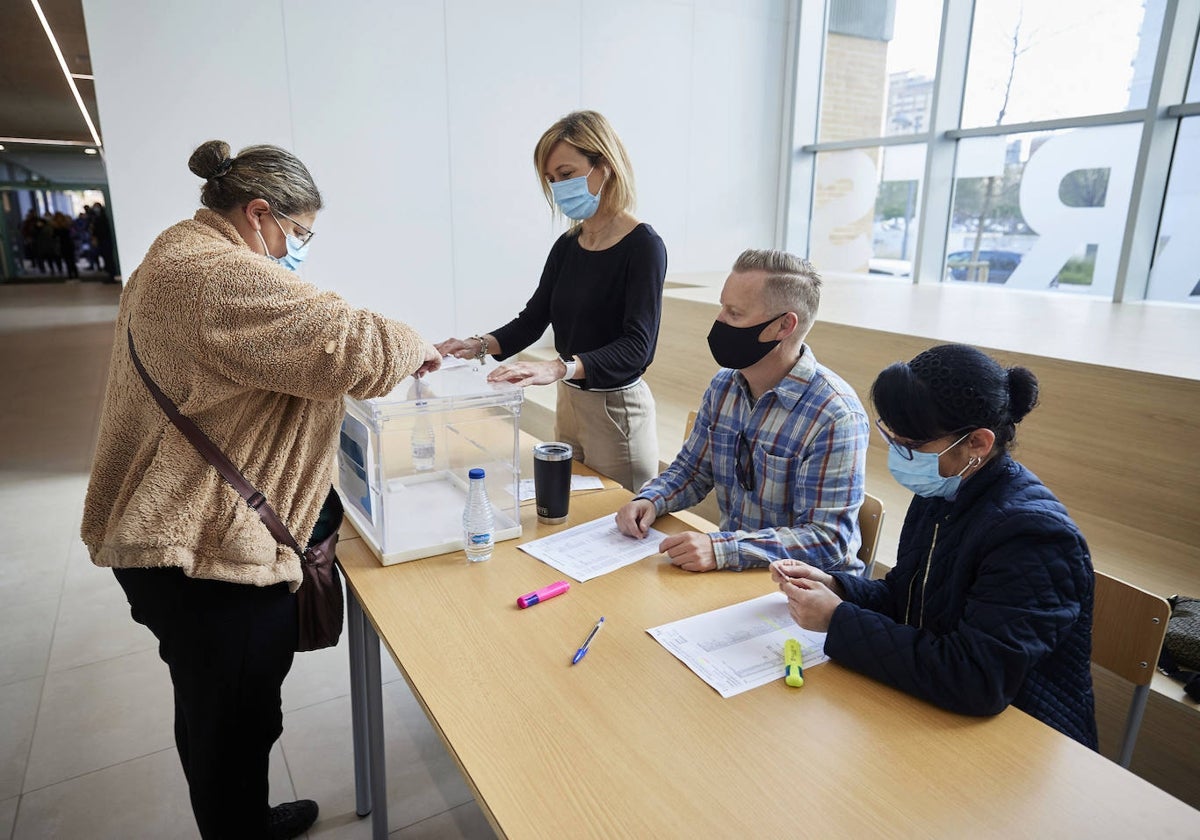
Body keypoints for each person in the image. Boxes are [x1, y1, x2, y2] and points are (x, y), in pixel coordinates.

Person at [81, 139, 441, 838]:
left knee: (219, 714)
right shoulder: (213, 275)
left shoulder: (175, 253)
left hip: (169, 544)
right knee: (233, 721)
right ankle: (241, 827)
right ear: (258, 214)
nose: (297, 250)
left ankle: (246, 816)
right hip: (203, 557)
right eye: (299, 234)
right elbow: (351, 345)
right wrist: (414, 342)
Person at [771, 343, 1097, 748]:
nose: (898, 455)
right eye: (891, 438)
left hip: (1018, 739)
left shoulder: (1033, 535)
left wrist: (838, 620)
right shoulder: (943, 490)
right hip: (935, 713)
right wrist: (838, 588)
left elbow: (977, 678)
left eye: (910, 445)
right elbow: (908, 598)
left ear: (977, 443)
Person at [435, 110, 667, 492]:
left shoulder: (643, 246)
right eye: (551, 179)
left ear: (604, 166)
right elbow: (533, 319)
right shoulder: (568, 245)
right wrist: (475, 346)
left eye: (566, 174)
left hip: (617, 411)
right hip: (570, 403)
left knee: (616, 526)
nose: (558, 187)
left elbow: (637, 348)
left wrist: (558, 367)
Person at [616, 249, 868, 573]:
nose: (719, 321)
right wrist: (650, 499)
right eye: (722, 307)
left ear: (783, 326)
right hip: (739, 571)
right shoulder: (725, 387)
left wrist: (723, 549)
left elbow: (827, 540)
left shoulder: (835, 416)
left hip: (804, 592)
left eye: (734, 313)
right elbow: (692, 470)